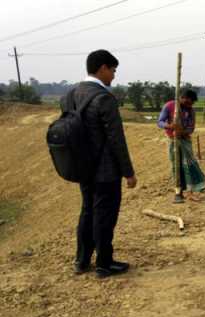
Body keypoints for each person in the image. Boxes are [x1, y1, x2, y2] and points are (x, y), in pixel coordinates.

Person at [62, 49, 137, 278]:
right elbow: (116, 139)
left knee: (87, 211)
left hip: (82, 167)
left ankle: (82, 261)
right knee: (104, 215)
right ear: (102, 68)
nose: (113, 76)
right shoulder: (103, 98)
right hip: (105, 170)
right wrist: (128, 172)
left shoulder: (70, 95)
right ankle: (105, 263)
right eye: (113, 71)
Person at [157, 89, 205, 201]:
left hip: (185, 142)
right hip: (172, 141)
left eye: (192, 103)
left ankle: (191, 191)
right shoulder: (170, 106)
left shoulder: (191, 111)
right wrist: (170, 126)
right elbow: (159, 122)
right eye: (189, 102)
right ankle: (178, 191)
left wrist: (182, 132)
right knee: (176, 166)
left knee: (189, 166)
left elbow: (191, 128)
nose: (190, 105)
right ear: (182, 98)